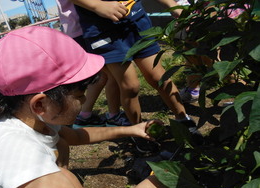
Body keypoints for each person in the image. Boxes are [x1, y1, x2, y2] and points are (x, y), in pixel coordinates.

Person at [0, 26, 173, 188]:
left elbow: (76, 136)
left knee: (66, 175)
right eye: (80, 95)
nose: (84, 100)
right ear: (40, 104)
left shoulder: (29, 119)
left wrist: (131, 129)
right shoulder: (17, 149)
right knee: (65, 183)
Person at [70, 0, 203, 149]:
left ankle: (183, 119)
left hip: (135, 21)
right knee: (130, 86)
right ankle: (138, 130)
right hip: (102, 30)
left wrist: (172, 6)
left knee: (159, 77)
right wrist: (97, 6)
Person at [56, 0, 131, 128]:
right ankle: (113, 116)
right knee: (111, 75)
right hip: (84, 27)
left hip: (78, 28)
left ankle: (85, 114)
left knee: (102, 76)